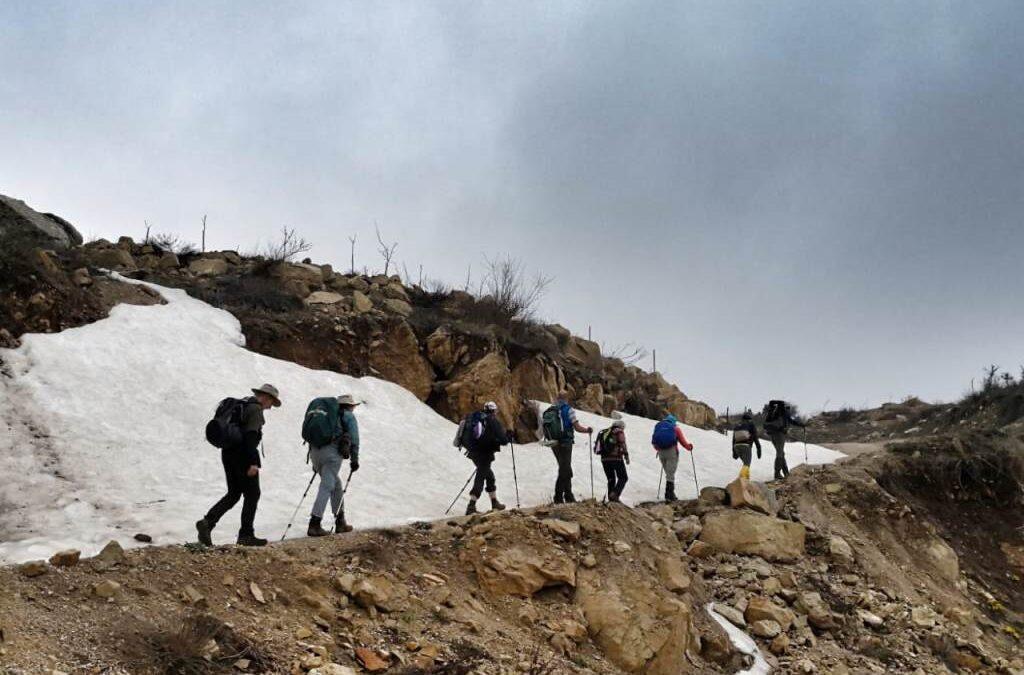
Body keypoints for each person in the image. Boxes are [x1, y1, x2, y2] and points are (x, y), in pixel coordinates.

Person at [196, 383, 280, 547]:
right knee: (253, 494)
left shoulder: (241, 405)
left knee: (234, 493)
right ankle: (246, 534)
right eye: (271, 402)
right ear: (266, 397)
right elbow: (250, 437)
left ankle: (208, 522)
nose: (270, 407)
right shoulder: (255, 409)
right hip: (243, 455)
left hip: (227, 452)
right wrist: (253, 463)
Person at [307, 394, 361, 536]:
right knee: (327, 486)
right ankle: (314, 523)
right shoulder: (347, 415)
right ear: (350, 406)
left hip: (315, 452)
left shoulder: (327, 414)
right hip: (332, 454)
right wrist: (354, 459)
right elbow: (354, 438)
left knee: (335, 484)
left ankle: (340, 521)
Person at [462, 401, 510, 515]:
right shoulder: (492, 420)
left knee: (489, 477)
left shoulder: (476, 418)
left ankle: (494, 503)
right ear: (494, 411)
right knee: (480, 477)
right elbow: (504, 440)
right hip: (485, 455)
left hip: (473, 453)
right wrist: (508, 435)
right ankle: (471, 506)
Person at [545, 393, 593, 504]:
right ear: (566, 399)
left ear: (557, 398)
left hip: (554, 443)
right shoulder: (569, 410)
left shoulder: (551, 410)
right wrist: (587, 430)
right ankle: (558, 497)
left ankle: (568, 495)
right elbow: (577, 427)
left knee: (564, 468)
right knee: (565, 469)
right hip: (566, 443)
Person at [650, 414, 693, 502]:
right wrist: (689, 447)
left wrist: (658, 449)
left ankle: (670, 494)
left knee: (668, 473)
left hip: (661, 453)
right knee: (670, 474)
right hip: (672, 452)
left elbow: (654, 441)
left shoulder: (658, 427)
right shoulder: (675, 428)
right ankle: (669, 495)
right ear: (673, 421)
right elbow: (682, 442)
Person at [762, 400, 806, 480]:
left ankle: (786, 472)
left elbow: (766, 424)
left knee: (781, 453)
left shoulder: (772, 412)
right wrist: (802, 425)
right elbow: (791, 421)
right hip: (780, 434)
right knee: (780, 453)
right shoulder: (783, 412)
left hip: (772, 435)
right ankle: (777, 473)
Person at [594, 418, 629, 502]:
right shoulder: (618, 431)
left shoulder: (604, 432)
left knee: (611, 478)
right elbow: (622, 443)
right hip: (616, 458)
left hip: (604, 459)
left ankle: (611, 499)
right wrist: (626, 455)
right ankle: (615, 494)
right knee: (623, 477)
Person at [732, 410, 762, 480]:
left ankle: (747, 480)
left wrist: (734, 452)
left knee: (746, 464)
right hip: (746, 446)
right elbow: (755, 437)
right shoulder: (751, 424)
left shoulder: (737, 425)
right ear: (749, 419)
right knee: (747, 464)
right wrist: (759, 449)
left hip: (737, 447)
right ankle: (741, 479)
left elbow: (733, 439)